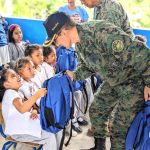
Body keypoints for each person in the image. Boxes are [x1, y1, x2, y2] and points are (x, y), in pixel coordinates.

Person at [43, 12, 150, 150]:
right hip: (114, 81)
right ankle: (100, 147)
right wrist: (74, 74)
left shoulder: (100, 32)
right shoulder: (79, 43)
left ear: (63, 32)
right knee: (97, 109)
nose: (58, 45)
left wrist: (148, 83)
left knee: (119, 127)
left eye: (55, 40)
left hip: (134, 81)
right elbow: (88, 67)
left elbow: (141, 53)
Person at [0, 69, 59, 150]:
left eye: (17, 74)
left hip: (23, 126)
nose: (18, 76)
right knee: (50, 135)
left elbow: (25, 108)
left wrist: (33, 111)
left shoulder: (16, 93)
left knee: (52, 126)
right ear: (6, 85)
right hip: (17, 132)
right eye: (13, 76)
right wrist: (37, 94)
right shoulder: (10, 93)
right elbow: (22, 108)